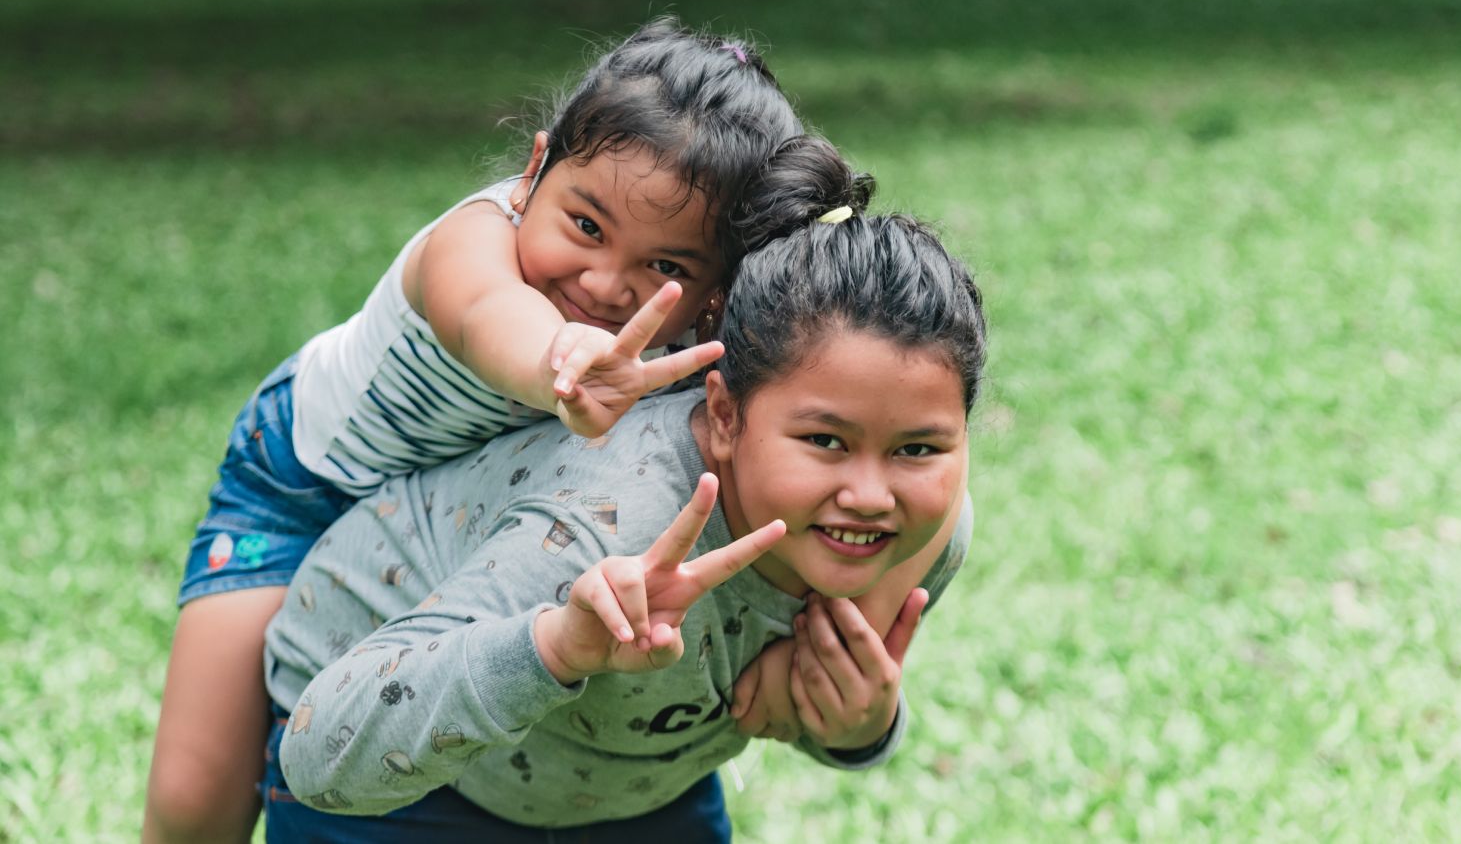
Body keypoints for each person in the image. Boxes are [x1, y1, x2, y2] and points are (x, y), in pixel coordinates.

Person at [143, 17, 886, 843]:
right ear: (534, 171)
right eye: (586, 226)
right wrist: (560, 364)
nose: (606, 283)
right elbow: (487, 316)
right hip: (310, 486)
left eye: (667, 267)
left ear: (719, 286)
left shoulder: (697, 338)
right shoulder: (473, 240)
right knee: (196, 797)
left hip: (473, 519)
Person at [260, 213, 986, 840]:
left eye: (917, 448)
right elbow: (321, 753)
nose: (869, 496)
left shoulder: (919, 538)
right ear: (726, 416)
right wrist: (556, 646)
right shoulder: (606, 528)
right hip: (411, 782)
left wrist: (860, 728)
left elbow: (791, 705)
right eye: (825, 441)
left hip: (626, 790)